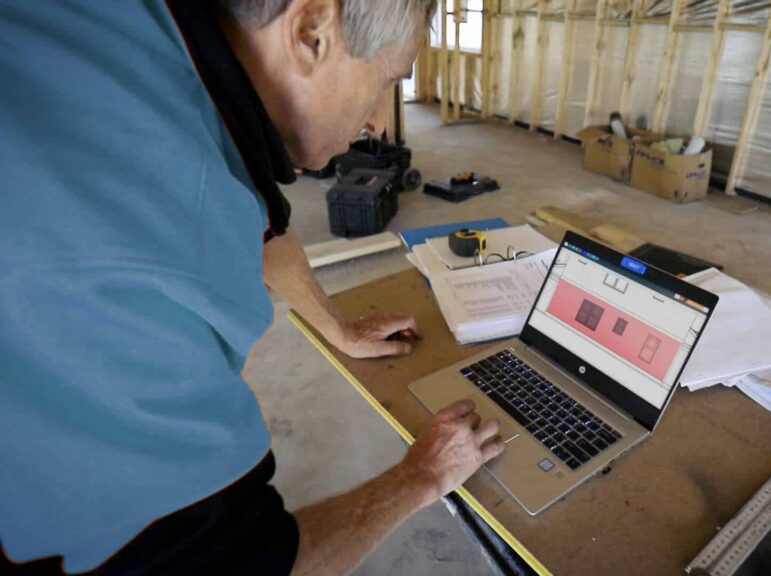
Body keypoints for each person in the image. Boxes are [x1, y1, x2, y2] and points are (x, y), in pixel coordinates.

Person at [0, 1, 504, 574]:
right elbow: (232, 562)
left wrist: (337, 327)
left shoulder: (150, 44)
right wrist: (424, 475)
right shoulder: (144, 250)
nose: (378, 124)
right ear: (311, 33)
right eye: (387, 80)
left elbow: (262, 222)